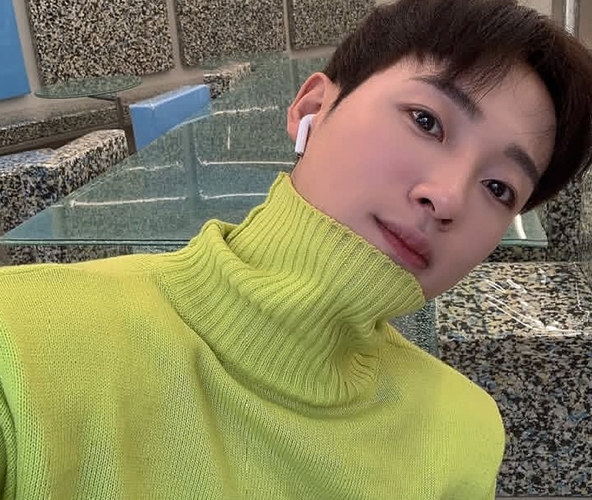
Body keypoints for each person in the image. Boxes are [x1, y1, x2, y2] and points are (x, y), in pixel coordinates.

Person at [1, 0, 592, 498]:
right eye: (426, 121)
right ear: (312, 109)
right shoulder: (21, 341)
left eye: (499, 188)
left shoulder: (465, 432)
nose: (447, 198)